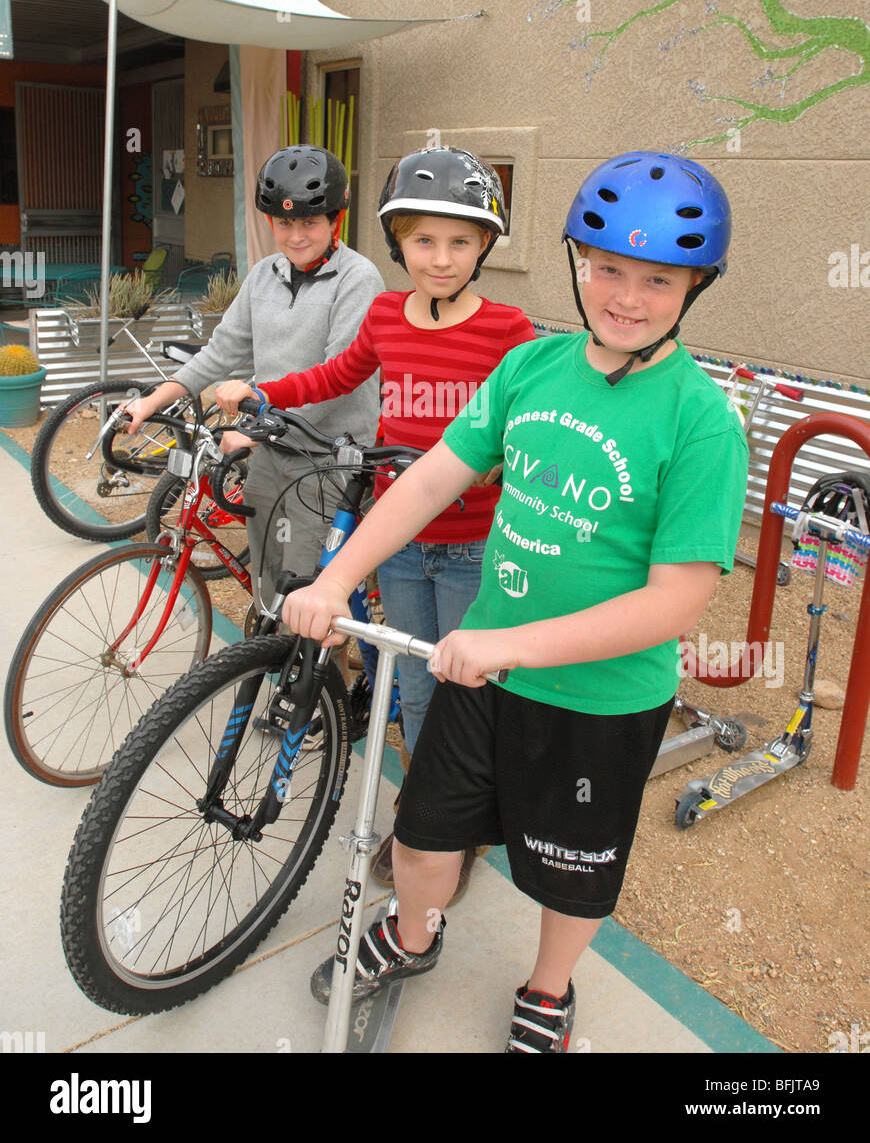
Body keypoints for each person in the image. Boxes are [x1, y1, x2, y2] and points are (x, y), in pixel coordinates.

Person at [282, 150, 750, 1053]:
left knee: (571, 876)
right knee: (422, 842)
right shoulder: (529, 370)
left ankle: (548, 987)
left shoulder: (702, 419)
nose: (625, 295)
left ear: (696, 285)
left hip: (601, 701)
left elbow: (674, 604)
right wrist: (338, 578)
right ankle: (413, 936)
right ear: (578, 262)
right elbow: (425, 485)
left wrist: (512, 646)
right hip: (482, 676)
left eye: (657, 278)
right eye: (606, 266)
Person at [214, 146, 537, 890]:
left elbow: (533, 418)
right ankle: (428, 820)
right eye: (423, 240)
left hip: (468, 546)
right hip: (397, 540)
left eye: (460, 241)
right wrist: (268, 396)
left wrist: (505, 457)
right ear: (399, 244)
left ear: (486, 245)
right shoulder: (387, 314)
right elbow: (338, 374)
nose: (442, 258)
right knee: (412, 688)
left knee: (463, 687)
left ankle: (451, 827)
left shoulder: (508, 330)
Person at [121, 146, 384, 603]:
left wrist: (254, 429)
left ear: (334, 220)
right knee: (266, 578)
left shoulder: (358, 280)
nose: (296, 235)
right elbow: (221, 352)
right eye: (285, 223)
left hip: (327, 460)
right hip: (270, 451)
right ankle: (265, 658)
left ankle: (321, 672)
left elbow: (338, 378)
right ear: (270, 222)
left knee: (311, 596)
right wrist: (151, 401)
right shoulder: (265, 275)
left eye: (309, 223)